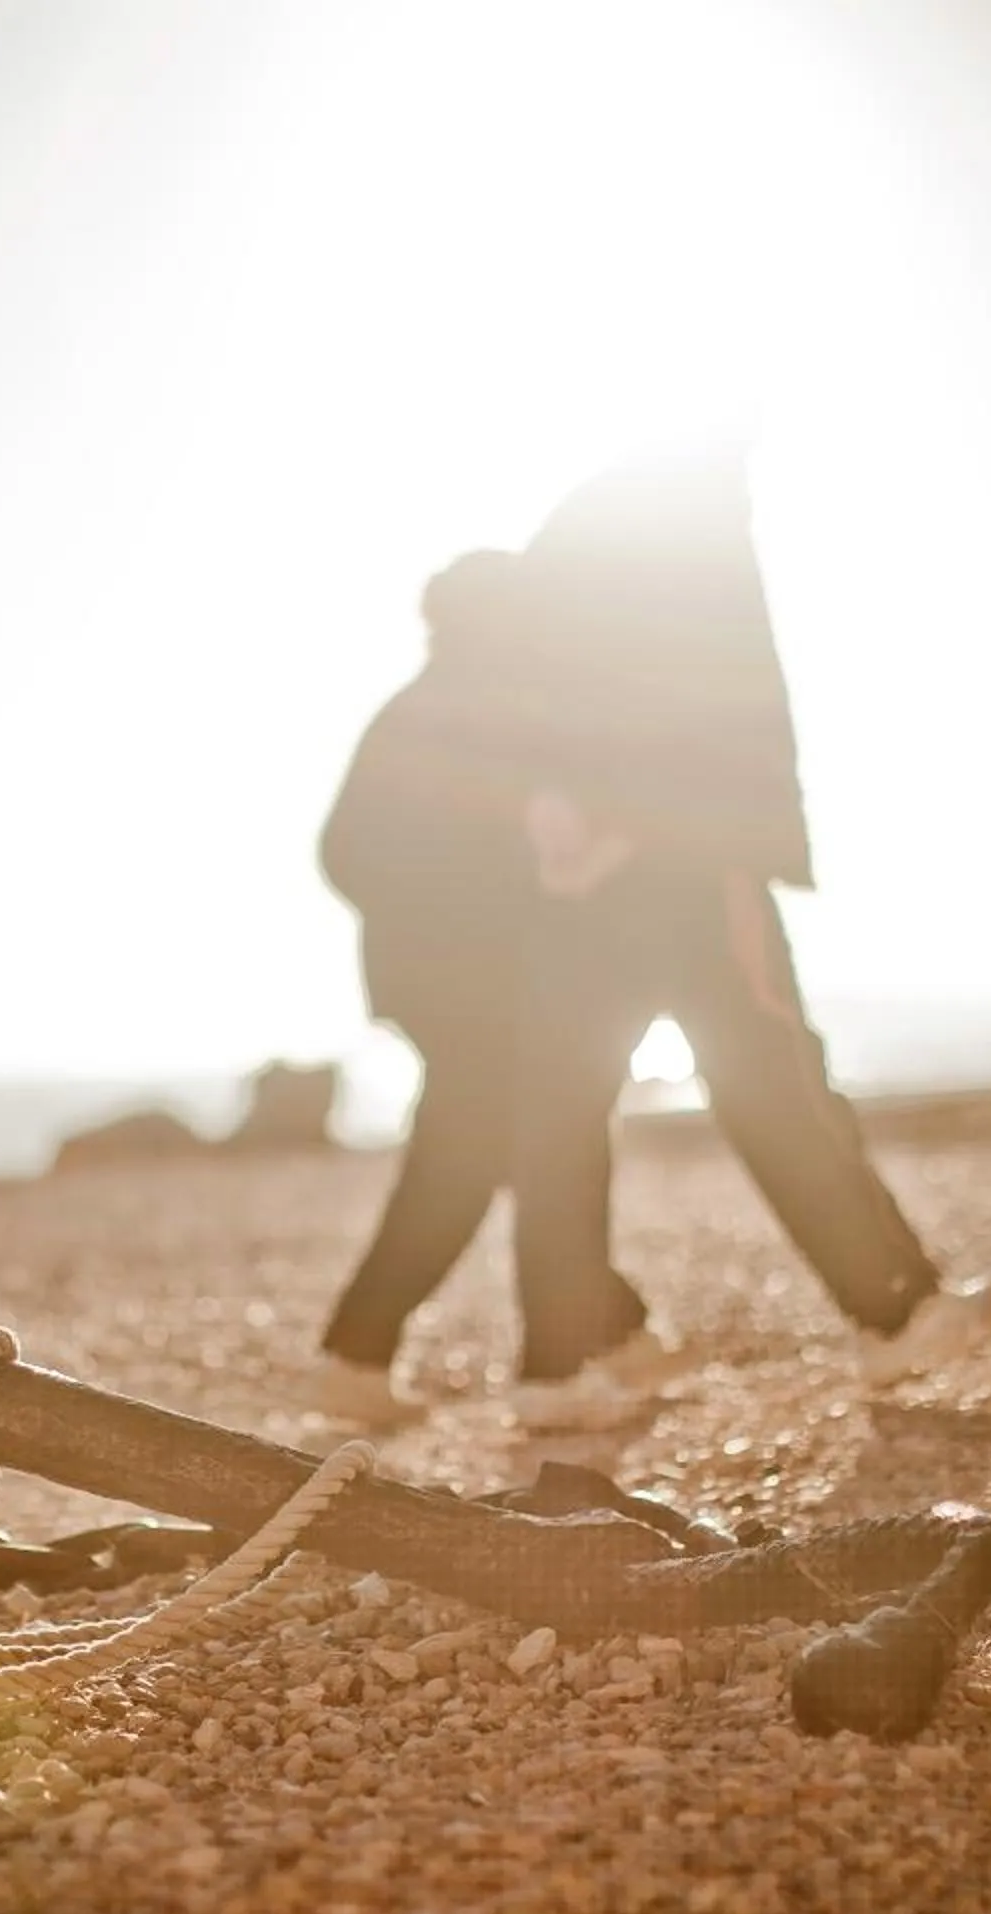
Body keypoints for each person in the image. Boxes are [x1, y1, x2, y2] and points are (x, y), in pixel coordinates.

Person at [492, 449, 991, 1426]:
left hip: (574, 873)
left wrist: (552, 818)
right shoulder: (691, 518)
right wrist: (690, 829)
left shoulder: (574, 529)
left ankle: (553, 1368)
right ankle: (894, 1311)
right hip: (684, 853)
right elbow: (725, 697)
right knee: (773, 1080)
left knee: (563, 1113)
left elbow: (516, 687)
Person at [309, 550, 700, 1428]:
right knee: (532, 1155)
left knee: (479, 1163)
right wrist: (456, 907)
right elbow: (345, 851)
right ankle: (555, 1372)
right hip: (468, 986)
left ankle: (601, 1338)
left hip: (453, 984)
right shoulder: (451, 715)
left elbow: (357, 851)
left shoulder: (443, 708)